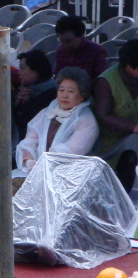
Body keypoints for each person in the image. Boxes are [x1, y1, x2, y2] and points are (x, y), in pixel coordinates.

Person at [15, 67, 98, 172]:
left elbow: (70, 153)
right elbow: (30, 140)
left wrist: (42, 167)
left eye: (71, 91)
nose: (64, 95)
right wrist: (29, 161)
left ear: (82, 96)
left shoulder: (86, 121)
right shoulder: (47, 112)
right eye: (61, 90)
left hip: (67, 174)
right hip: (34, 169)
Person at [93, 39, 138, 191]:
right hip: (109, 144)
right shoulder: (105, 82)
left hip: (132, 142)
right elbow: (103, 115)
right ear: (129, 66)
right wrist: (133, 127)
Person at [13, 49, 56, 140]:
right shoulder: (21, 90)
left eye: (22, 68)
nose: (19, 72)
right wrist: (16, 103)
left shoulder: (53, 94)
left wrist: (28, 104)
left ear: (36, 71)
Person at [54, 15, 107, 81]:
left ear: (80, 36)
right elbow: (57, 76)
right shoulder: (61, 51)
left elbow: (101, 78)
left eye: (68, 41)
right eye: (62, 41)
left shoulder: (96, 51)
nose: (65, 45)